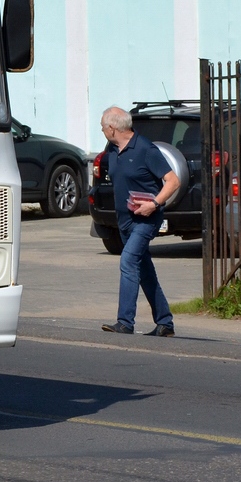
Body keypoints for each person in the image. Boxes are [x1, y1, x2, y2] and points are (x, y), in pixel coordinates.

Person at [99, 105, 179, 336]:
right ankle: (165, 323)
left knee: (128, 262)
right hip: (124, 222)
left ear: (113, 128)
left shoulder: (145, 149)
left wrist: (154, 204)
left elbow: (173, 181)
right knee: (144, 270)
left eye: (103, 127)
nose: (102, 131)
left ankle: (125, 322)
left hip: (146, 220)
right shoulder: (113, 151)